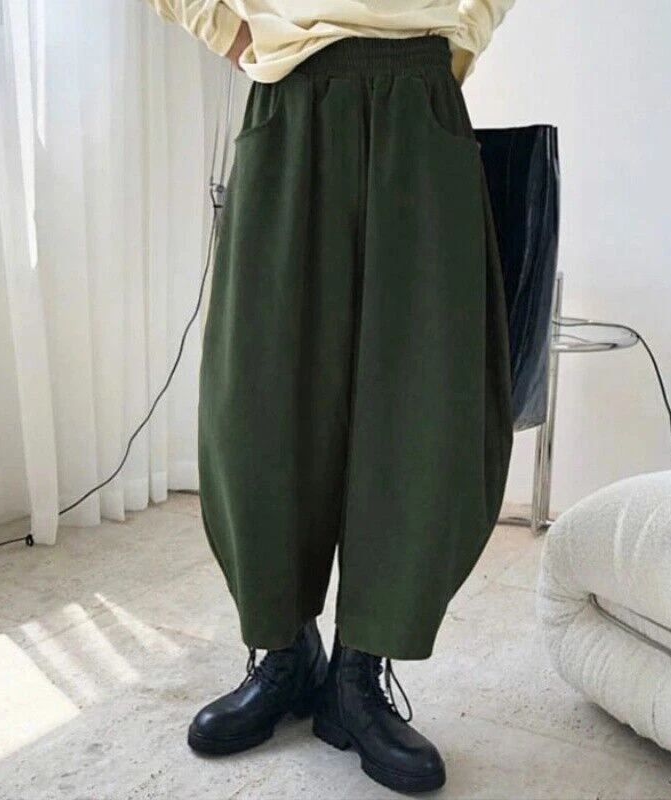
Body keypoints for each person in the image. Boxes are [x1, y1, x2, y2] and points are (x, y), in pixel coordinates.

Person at [144, 0, 516, 792]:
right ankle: (285, 653)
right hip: (290, 94)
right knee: (257, 403)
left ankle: (358, 675)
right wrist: (229, 30)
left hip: (420, 97)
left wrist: (462, 38)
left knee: (422, 403)